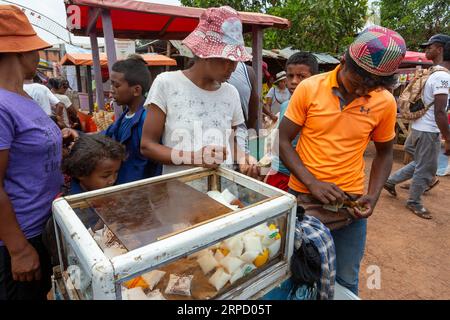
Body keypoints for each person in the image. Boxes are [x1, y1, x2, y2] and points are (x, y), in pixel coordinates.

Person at [279, 26, 406, 295]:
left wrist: (372, 196)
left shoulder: (384, 102)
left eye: (372, 87)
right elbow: (282, 140)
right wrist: (312, 182)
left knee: (346, 277)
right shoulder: (309, 88)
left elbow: (384, 153)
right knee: (298, 270)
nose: (362, 91)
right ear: (344, 61)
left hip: (350, 204)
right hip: (303, 197)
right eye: (357, 82)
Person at [0, 5, 77, 300]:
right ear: (18, 52)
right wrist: (18, 249)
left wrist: (60, 140)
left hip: (45, 224)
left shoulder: (24, 97)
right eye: (33, 48)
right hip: (21, 237)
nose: (38, 54)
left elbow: (26, 154)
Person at [141, 6, 259, 178]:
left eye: (236, 60)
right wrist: (195, 157)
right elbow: (147, 146)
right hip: (181, 196)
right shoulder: (166, 84)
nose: (233, 67)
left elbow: (231, 140)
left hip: (223, 192)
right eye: (227, 59)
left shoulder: (231, 93)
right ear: (205, 54)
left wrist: (243, 158)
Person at [384, 35, 450, 219]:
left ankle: (391, 181)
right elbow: (440, 112)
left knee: (422, 163)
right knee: (427, 168)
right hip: (429, 130)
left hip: (418, 127)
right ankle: (414, 202)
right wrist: (448, 138)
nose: (426, 50)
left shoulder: (433, 73)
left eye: (429, 47)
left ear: (439, 48)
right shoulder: (443, 77)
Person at [104, 56, 162, 184]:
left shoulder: (147, 119)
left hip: (141, 190)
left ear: (136, 90)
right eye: (111, 84)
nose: (111, 90)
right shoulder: (126, 115)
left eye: (116, 85)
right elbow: (105, 135)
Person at [266, 52, 319, 191]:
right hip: (280, 170)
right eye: (290, 76)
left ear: (314, 78)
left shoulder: (318, 109)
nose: (294, 81)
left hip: (304, 175)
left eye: (301, 76)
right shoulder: (285, 105)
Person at [62, 134, 127, 194]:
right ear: (81, 174)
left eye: (116, 172)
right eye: (105, 176)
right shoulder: (69, 201)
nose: (112, 180)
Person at [228, 62, 259, 130]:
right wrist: (249, 129)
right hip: (241, 131)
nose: (233, 69)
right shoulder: (248, 71)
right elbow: (254, 112)